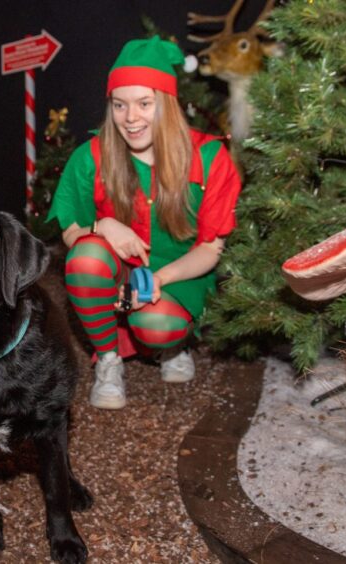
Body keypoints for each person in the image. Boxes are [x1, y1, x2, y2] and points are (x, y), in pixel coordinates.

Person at [47, 36, 241, 410]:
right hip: (119, 271)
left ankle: (174, 346)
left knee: (157, 327)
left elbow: (210, 249)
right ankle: (108, 360)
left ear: (167, 104)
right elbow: (70, 230)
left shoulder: (209, 158)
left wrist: (160, 280)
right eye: (120, 105)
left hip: (179, 276)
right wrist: (101, 226)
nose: (130, 118)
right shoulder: (92, 156)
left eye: (143, 104)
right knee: (85, 257)